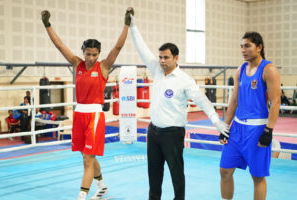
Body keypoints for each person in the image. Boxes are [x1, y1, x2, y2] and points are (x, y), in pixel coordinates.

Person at [129, 14, 229, 200]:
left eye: (166, 57)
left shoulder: (185, 80)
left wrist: (217, 123)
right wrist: (133, 26)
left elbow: (203, 101)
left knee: (176, 174)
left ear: (176, 58)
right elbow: (142, 49)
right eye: (160, 57)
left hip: (173, 134)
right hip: (153, 132)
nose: (161, 61)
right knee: (154, 175)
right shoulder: (156, 71)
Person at [41, 7, 133, 200]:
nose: (91, 58)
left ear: (99, 54)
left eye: (95, 54)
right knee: (86, 155)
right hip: (79, 115)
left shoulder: (104, 67)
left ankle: (81, 196)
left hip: (94, 117)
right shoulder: (77, 64)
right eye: (88, 54)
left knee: (87, 160)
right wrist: (47, 24)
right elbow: (60, 46)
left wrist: (126, 23)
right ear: (83, 52)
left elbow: (117, 47)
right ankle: (102, 186)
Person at [219, 32, 280, 200]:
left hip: (257, 129)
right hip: (237, 128)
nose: (243, 50)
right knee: (224, 170)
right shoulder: (240, 69)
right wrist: (225, 126)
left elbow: (276, 102)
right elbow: (234, 99)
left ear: (259, 47)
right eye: (241, 46)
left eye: (247, 46)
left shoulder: (269, 69)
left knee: (257, 176)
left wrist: (268, 130)